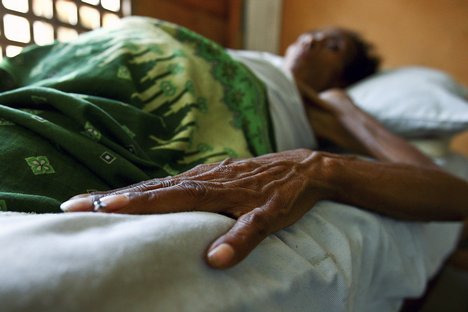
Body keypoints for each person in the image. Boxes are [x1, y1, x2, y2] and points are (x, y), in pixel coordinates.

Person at [1, 17, 467, 270]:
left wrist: (319, 167)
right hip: (83, 66)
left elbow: (450, 191)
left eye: (333, 46)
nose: (313, 38)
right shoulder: (244, 54)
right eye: (317, 32)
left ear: (342, 74)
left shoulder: (327, 103)